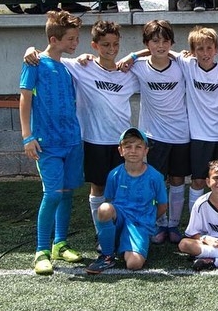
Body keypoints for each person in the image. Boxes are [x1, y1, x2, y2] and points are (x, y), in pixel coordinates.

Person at [23, 21, 140, 245]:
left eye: (115, 44)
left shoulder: (129, 74)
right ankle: (101, 233)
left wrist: (134, 55)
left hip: (122, 143)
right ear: (95, 45)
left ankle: (123, 232)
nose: (111, 49)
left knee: (122, 188)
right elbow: (49, 54)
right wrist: (31, 50)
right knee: (97, 187)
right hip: (94, 141)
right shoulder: (80, 66)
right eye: (105, 44)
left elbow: (158, 59)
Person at [19, 10, 84, 275]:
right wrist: (27, 136)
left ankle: (60, 244)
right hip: (47, 144)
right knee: (53, 193)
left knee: (67, 193)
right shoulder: (34, 62)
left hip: (72, 141)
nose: (75, 43)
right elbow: (24, 99)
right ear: (55, 39)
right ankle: (41, 251)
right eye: (71, 39)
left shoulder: (67, 67)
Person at [124, 20, 190, 244]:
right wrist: (133, 56)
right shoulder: (139, 66)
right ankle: (159, 224)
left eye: (165, 41)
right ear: (147, 43)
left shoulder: (182, 64)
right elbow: (112, 67)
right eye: (155, 41)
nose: (160, 45)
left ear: (171, 43)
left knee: (178, 179)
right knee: (156, 181)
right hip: (153, 135)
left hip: (181, 133)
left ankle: (174, 225)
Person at [85, 128, 168, 274]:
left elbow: (162, 205)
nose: (133, 151)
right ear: (120, 150)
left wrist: (147, 221)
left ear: (146, 151)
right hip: (120, 218)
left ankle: (124, 244)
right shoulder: (114, 174)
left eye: (138, 147)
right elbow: (109, 200)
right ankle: (107, 256)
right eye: (128, 147)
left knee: (134, 264)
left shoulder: (155, 177)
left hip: (139, 223)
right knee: (104, 208)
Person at [176, 26, 218, 213]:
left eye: (209, 48)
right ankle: (196, 221)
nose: (205, 53)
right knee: (198, 180)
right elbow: (163, 51)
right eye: (200, 49)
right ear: (193, 51)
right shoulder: (187, 65)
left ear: (216, 49)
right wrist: (133, 57)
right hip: (199, 136)